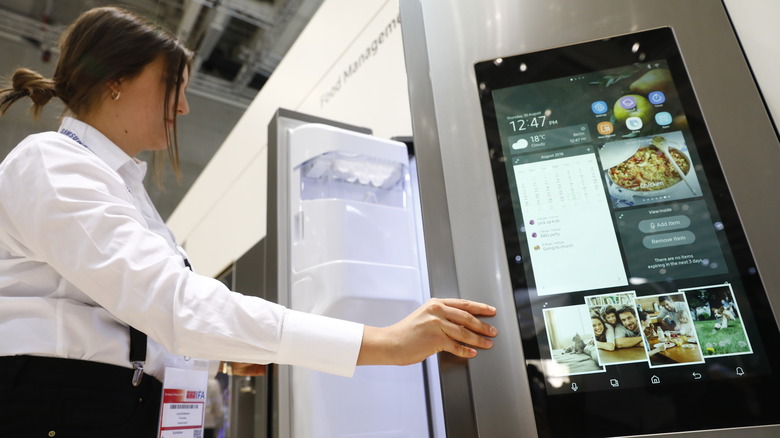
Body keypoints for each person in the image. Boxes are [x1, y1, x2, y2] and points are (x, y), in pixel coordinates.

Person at [0, 7, 497, 437]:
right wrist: (384, 342)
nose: (183, 107)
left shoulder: (117, 184)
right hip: (63, 406)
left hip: (100, 405)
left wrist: (216, 355)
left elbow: (125, 316)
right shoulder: (52, 163)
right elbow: (173, 303)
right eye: (172, 86)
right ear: (115, 81)